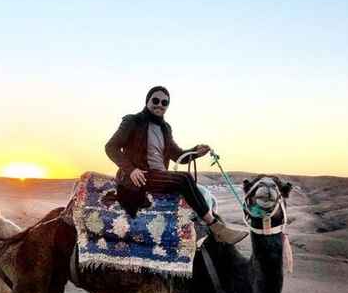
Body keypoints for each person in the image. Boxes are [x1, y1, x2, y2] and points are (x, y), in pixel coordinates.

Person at [105, 86, 247, 245]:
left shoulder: (165, 128)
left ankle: (210, 228)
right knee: (184, 178)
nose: (160, 105)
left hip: (158, 176)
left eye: (164, 102)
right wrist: (130, 169)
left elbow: (178, 155)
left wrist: (195, 152)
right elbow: (111, 147)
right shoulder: (132, 121)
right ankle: (216, 227)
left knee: (189, 182)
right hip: (140, 177)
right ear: (147, 101)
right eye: (156, 100)